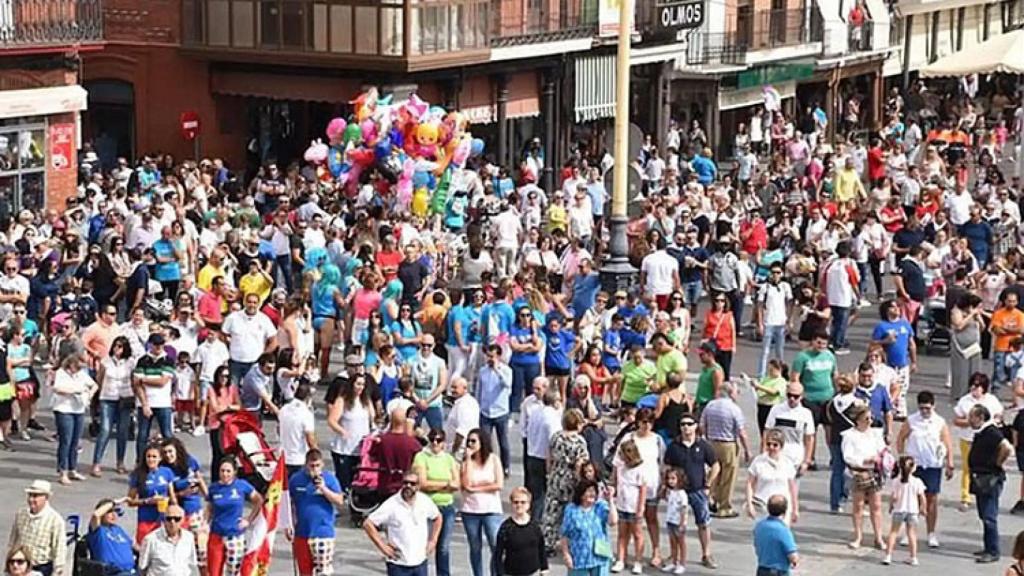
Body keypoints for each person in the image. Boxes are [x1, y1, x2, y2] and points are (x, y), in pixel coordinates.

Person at [895, 390, 955, 549]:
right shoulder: (912, 420)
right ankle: (909, 532)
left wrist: (949, 463)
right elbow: (901, 437)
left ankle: (931, 533)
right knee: (911, 499)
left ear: (933, 406)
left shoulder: (939, 422)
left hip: (933, 465)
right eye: (922, 408)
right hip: (915, 465)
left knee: (931, 499)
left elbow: (948, 442)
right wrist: (902, 456)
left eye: (928, 408)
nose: (925, 412)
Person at [663, 413, 719, 569]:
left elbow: (715, 465)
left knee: (703, 523)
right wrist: (666, 486)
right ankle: (675, 556)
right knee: (674, 524)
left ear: (695, 426)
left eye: (689, 424)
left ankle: (706, 554)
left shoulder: (703, 445)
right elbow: (667, 466)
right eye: (682, 424)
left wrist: (708, 485)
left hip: (697, 490)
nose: (685, 427)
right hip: (678, 491)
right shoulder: (673, 446)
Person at [364, 470, 443, 576]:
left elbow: (438, 517)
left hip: (420, 561)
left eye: (412, 484)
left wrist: (433, 541)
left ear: (418, 486)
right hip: (398, 563)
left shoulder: (424, 501)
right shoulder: (392, 504)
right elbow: (368, 524)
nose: (408, 486)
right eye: (405, 483)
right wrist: (383, 546)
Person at [287, 449, 345, 576]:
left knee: (323, 572)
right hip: (302, 532)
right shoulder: (296, 479)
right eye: (311, 466)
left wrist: (323, 488)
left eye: (317, 465)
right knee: (304, 571)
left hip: (322, 532)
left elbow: (340, 501)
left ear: (322, 464)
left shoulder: (329, 479)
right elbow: (288, 503)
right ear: (305, 464)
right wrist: (288, 524)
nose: (314, 469)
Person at [968, 403, 1013, 564]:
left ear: (980, 417)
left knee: (989, 515)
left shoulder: (991, 432)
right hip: (981, 477)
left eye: (971, 417)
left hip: (990, 479)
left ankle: (993, 551)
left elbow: (1007, 447)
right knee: (983, 514)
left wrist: (998, 463)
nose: (969, 420)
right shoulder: (981, 432)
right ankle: (988, 546)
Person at [542, 408, 590, 552]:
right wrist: (579, 480)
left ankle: (548, 542)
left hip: (556, 476)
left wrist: (549, 473)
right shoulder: (579, 441)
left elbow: (549, 457)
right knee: (571, 510)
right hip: (570, 479)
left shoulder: (556, 437)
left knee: (552, 510)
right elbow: (579, 464)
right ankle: (571, 542)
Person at [701, 381, 751, 519]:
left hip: (711, 442)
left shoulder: (710, 405)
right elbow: (741, 432)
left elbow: (702, 425)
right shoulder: (734, 409)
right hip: (728, 444)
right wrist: (747, 450)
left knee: (714, 473)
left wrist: (705, 439)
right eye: (736, 392)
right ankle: (724, 507)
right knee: (728, 476)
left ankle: (712, 498)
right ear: (730, 393)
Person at [412, 429, 460, 576]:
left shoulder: (449, 459)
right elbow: (423, 483)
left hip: (447, 506)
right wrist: (446, 485)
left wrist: (436, 485)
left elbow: (457, 484)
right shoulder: (421, 457)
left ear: (444, 443)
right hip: (428, 506)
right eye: (432, 439)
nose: (435, 443)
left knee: (443, 547)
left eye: (438, 440)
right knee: (423, 544)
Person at [205, 458, 264, 576]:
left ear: (234, 472)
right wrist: (205, 524)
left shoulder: (241, 485)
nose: (225, 474)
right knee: (213, 572)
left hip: (235, 535)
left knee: (233, 572)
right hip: (216, 535)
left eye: (228, 471)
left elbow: (258, 500)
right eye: (222, 471)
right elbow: (210, 508)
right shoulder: (214, 488)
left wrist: (249, 520)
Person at [953, 372, 1003, 511]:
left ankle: (987, 491)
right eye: (972, 385)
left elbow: (999, 415)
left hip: (987, 440)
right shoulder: (965, 401)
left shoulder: (991, 400)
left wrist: (995, 422)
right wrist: (969, 422)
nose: (973, 388)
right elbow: (956, 420)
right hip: (969, 439)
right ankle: (965, 497)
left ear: (984, 387)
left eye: (977, 386)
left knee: (988, 467)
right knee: (967, 468)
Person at [460, 428, 505, 576]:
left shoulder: (493, 459)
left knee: (495, 544)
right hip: (470, 510)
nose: (470, 444)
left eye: (474, 441)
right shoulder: (466, 462)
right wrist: (467, 460)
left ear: (482, 442)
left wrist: (477, 488)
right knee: (475, 547)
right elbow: (466, 485)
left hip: (491, 509)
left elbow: (498, 484)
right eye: (469, 441)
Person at [842, 404, 886, 550]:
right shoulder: (849, 435)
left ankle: (878, 537)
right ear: (858, 420)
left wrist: (882, 457)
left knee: (876, 505)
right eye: (866, 418)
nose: (869, 421)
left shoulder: (875, 434)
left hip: (874, 472)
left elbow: (882, 450)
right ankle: (858, 536)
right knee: (858, 506)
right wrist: (865, 460)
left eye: (870, 418)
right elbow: (848, 456)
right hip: (858, 472)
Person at [93, 336, 136, 476]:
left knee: (122, 431)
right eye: (115, 346)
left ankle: (120, 461)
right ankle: (97, 462)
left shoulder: (130, 362)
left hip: (124, 398)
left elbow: (133, 380)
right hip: (108, 397)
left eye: (120, 346)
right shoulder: (106, 361)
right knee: (105, 429)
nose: (117, 349)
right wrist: (98, 395)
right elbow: (99, 379)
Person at [52, 353, 97, 484]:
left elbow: (94, 385)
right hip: (64, 408)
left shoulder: (81, 374)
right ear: (71, 365)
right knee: (66, 440)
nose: (78, 370)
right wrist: (73, 391)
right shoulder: (61, 373)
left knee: (75, 441)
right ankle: (63, 471)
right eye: (76, 367)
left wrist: (89, 394)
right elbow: (57, 388)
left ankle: (73, 468)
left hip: (79, 409)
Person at [326, 373, 374, 490]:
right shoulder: (342, 400)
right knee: (344, 482)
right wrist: (342, 431)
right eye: (358, 384)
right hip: (344, 449)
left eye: (363, 385)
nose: (360, 387)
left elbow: (372, 417)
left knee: (358, 481)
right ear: (352, 384)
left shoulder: (365, 400)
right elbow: (332, 420)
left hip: (361, 449)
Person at [560, 479, 618, 576]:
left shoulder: (600, 506)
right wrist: (566, 555)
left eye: (594, 491)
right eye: (589, 491)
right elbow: (565, 534)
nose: (592, 494)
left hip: (600, 557)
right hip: (579, 558)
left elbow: (613, 521)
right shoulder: (571, 509)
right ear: (581, 494)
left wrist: (610, 500)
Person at [8, 480, 67, 576]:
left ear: (46, 497)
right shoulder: (21, 514)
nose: (31, 499)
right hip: (21, 565)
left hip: (41, 568)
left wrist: (57, 571)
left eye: (35, 496)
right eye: (30, 495)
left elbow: (59, 548)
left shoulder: (55, 520)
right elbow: (13, 541)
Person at [133, 334, 175, 461]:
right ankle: (140, 462)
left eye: (161, 344)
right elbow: (136, 384)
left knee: (167, 435)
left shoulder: (168, 360)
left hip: (163, 403)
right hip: (146, 403)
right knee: (142, 436)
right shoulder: (142, 360)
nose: (159, 347)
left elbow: (163, 382)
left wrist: (143, 379)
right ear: (150, 344)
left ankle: (171, 461)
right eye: (156, 344)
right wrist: (145, 404)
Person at [745, 429, 798, 524]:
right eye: (768, 444)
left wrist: (795, 508)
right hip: (762, 506)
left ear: (781, 446)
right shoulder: (758, 461)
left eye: (775, 445)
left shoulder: (787, 463)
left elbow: (792, 487)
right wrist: (750, 505)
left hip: (782, 507)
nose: (771, 447)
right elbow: (750, 484)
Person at [882, 456, 927, 566]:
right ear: (913, 468)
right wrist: (923, 508)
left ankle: (888, 555)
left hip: (899, 510)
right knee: (911, 534)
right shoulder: (917, 481)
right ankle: (913, 557)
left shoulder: (896, 481)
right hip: (912, 511)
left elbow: (894, 496)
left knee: (893, 532)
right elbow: (922, 497)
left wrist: (891, 506)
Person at [128, 444, 176, 544]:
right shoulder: (138, 474)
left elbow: (172, 497)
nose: (151, 459)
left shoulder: (167, 472)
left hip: (164, 520)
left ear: (160, 458)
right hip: (145, 520)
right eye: (148, 456)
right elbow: (130, 501)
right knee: (144, 551)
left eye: (154, 457)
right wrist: (148, 501)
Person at [611, 439, 647, 574]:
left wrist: (640, 508)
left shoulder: (639, 469)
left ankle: (638, 561)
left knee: (637, 534)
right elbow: (616, 482)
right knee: (622, 534)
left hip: (634, 507)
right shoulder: (621, 468)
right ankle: (621, 559)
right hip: (622, 505)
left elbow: (643, 489)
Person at [494, 487, 547, 576]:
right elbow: (498, 554)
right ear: (511, 504)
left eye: (523, 502)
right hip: (511, 572)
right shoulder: (506, 527)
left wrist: (544, 568)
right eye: (516, 502)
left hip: (533, 572)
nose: (519, 505)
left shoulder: (535, 526)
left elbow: (541, 547)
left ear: (529, 504)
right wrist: (500, 573)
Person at [764, 382, 815, 476]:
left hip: (795, 458)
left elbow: (809, 438)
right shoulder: (776, 409)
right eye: (789, 395)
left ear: (801, 396)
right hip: (776, 456)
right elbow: (767, 432)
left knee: (792, 489)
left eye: (796, 396)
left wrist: (806, 461)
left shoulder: (806, 414)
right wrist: (764, 454)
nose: (792, 399)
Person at [478, 343, 513, 474]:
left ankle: (505, 466)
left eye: (492, 356)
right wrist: (479, 405)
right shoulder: (483, 371)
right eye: (488, 356)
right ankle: (488, 465)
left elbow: (507, 384)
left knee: (503, 441)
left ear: (498, 356)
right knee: (486, 441)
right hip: (486, 411)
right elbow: (479, 389)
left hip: (501, 411)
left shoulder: (506, 370)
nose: (490, 359)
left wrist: (497, 370)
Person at [138, 504, 198, 576]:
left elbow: (192, 564)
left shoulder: (189, 538)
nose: (172, 522)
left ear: (183, 520)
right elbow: (142, 568)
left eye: (176, 519)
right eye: (169, 518)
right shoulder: (150, 540)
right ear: (164, 519)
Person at [86, 498, 135, 576]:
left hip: (131, 572)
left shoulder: (118, 529)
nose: (113, 514)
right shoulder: (98, 531)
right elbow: (96, 515)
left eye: (115, 511)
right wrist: (117, 502)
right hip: (111, 573)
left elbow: (134, 546)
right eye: (109, 512)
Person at [752, 495, 799, 576]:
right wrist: (795, 561)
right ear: (785, 511)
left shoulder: (759, 526)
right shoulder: (783, 530)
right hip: (779, 571)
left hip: (762, 568)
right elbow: (792, 555)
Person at [410, 333, 448, 431]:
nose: (426, 347)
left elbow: (442, 384)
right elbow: (407, 383)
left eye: (429, 345)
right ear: (420, 344)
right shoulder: (411, 360)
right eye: (423, 345)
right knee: (412, 432)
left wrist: (427, 401)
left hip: (433, 403)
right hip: (415, 403)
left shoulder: (440, 362)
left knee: (437, 432)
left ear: (434, 345)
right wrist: (417, 400)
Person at [279, 383, 317, 478]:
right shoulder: (306, 414)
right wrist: (316, 454)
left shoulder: (284, 409)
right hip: (299, 458)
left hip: (283, 456)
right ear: (308, 397)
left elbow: (278, 429)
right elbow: (310, 439)